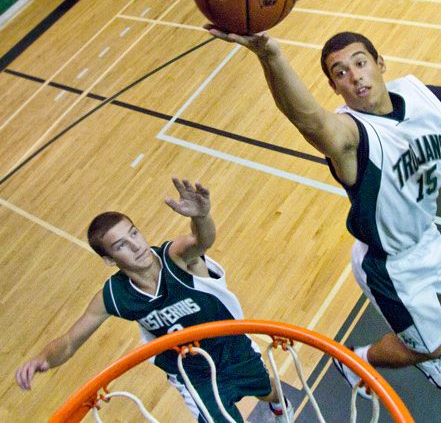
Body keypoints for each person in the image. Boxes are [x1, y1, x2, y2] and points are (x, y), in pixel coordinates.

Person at [206, 27, 441, 394]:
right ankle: (357, 360)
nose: (355, 75)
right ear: (334, 87)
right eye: (340, 72)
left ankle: (424, 352)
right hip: (389, 265)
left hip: (424, 238)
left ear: (380, 63)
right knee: (427, 343)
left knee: (425, 329)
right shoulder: (350, 136)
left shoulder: (424, 98)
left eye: (360, 63)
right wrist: (271, 56)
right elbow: (308, 120)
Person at [15, 178, 292, 423]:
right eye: (121, 245)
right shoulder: (115, 295)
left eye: (134, 233)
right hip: (192, 374)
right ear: (109, 260)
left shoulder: (176, 257)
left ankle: (280, 403)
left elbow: (201, 240)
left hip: (232, 350)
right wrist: (43, 359)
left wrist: (202, 216)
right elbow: (70, 341)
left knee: (267, 390)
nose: (136, 245)